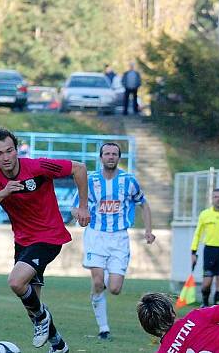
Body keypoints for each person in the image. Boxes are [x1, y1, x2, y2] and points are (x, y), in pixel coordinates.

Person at [0, 127, 90, 353]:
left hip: (49, 235)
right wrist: (4, 192)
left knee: (16, 282)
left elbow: (79, 168)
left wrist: (83, 206)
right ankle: (59, 345)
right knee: (31, 305)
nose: (5, 157)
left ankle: (43, 318)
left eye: (9, 151)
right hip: (23, 240)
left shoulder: (37, 167)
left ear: (17, 149)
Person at [72, 142, 155, 341]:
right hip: (96, 235)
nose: (110, 157)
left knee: (115, 288)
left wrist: (148, 230)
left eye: (114, 154)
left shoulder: (129, 180)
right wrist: (80, 215)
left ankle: (102, 285)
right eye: (107, 153)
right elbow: (75, 207)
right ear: (101, 157)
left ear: (119, 157)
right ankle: (103, 328)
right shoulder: (90, 180)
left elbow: (144, 204)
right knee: (98, 281)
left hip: (119, 237)